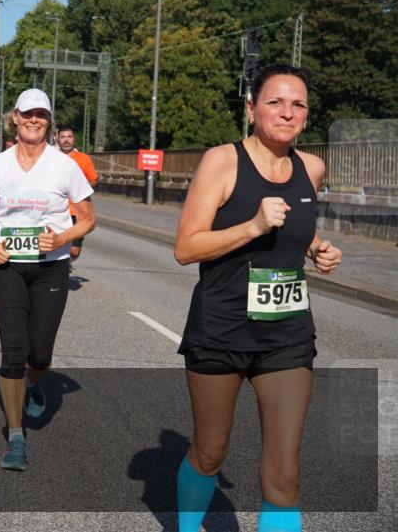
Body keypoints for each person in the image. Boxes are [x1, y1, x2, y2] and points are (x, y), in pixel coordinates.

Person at [172, 65, 342, 532]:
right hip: (220, 331)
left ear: (307, 115)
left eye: (298, 104)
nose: (287, 112)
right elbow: (186, 248)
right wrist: (251, 226)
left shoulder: (312, 167)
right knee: (210, 452)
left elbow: (298, 225)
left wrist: (317, 248)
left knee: (284, 475)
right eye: (274, 102)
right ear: (251, 109)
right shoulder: (222, 162)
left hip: (287, 334)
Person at [0, 89, 95, 471]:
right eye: (27, 113)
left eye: (41, 114)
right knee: (13, 351)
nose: (33, 120)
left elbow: (88, 218)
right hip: (8, 268)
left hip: (50, 269)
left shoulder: (64, 166)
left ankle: (35, 381)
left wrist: (61, 238)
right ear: (15, 117)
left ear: (49, 120)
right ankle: (16, 438)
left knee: (39, 355)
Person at [55, 124, 98, 261]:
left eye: (69, 137)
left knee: (74, 251)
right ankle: (57, 270)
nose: (66, 140)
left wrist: (79, 188)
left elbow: (93, 180)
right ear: (57, 139)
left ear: (74, 139)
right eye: (63, 137)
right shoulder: (51, 157)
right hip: (56, 210)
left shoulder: (83, 158)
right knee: (54, 243)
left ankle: (65, 263)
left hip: (76, 212)